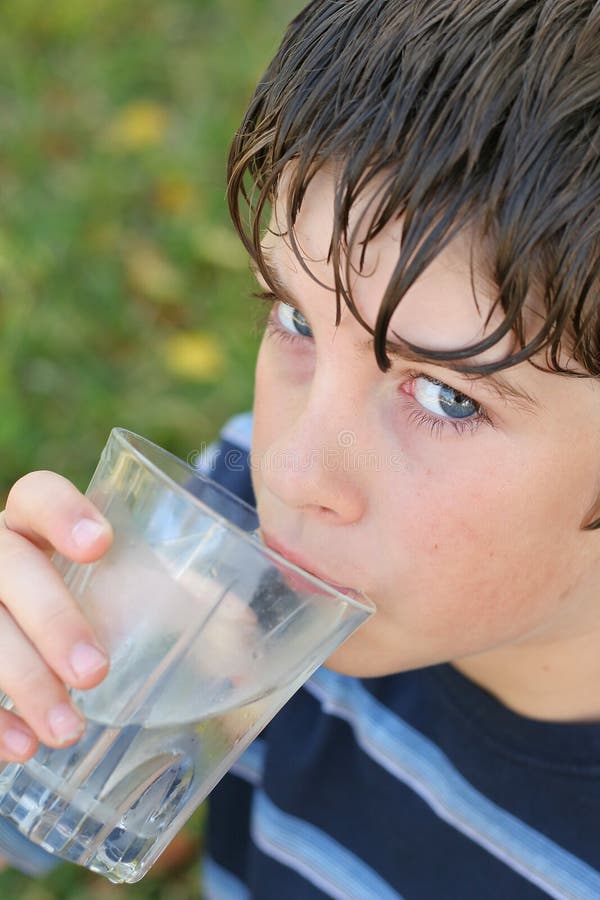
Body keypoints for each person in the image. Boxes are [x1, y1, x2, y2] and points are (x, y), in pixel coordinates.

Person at [0, 0, 599, 896]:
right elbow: (30, 830)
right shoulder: (224, 568)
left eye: (447, 396)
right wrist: (36, 692)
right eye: (294, 319)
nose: (290, 471)